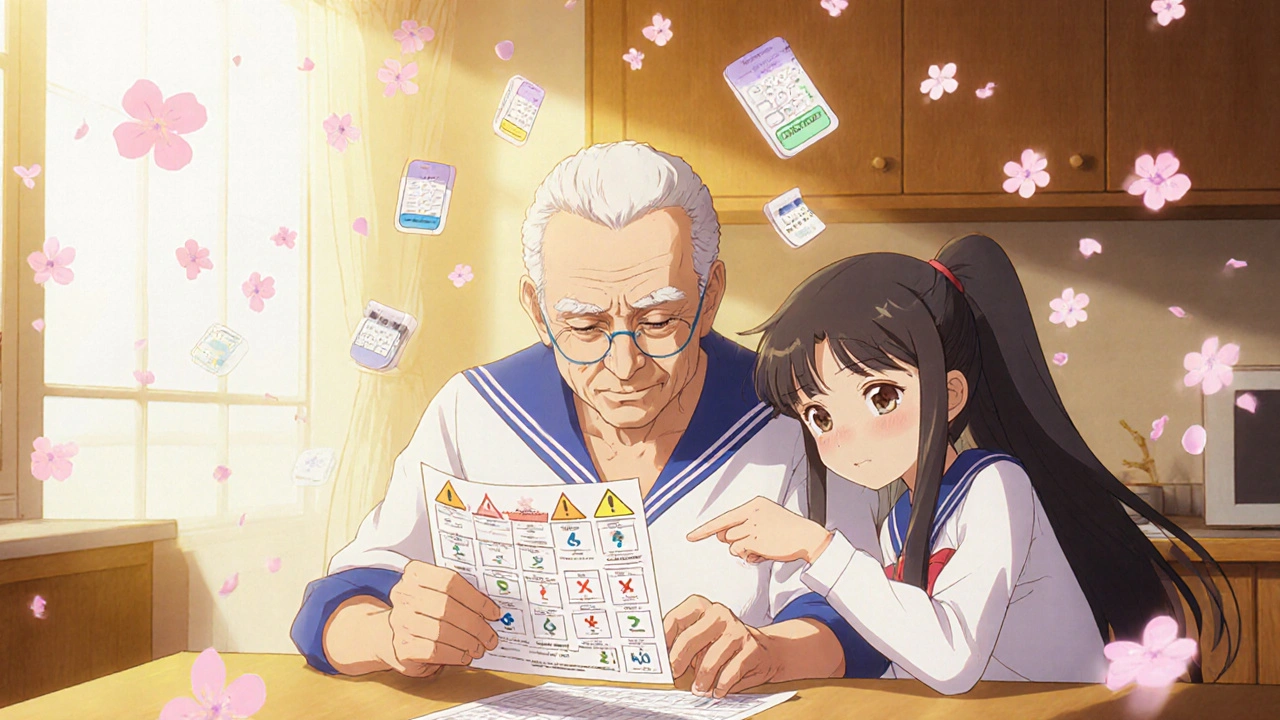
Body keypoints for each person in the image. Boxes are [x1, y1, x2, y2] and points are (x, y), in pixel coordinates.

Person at [290, 141, 890, 690]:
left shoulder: (796, 411)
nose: (624, 364)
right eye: (583, 326)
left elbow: (863, 621)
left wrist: (771, 652)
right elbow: (332, 607)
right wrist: (389, 634)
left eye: (659, 321)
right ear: (537, 310)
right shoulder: (475, 410)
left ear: (710, 297)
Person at [688, 233, 1240, 696]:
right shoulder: (901, 519)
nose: (847, 438)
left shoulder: (996, 486)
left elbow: (952, 660)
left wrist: (818, 547)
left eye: (881, 397)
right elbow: (906, 657)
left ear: (950, 395)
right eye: (820, 415)